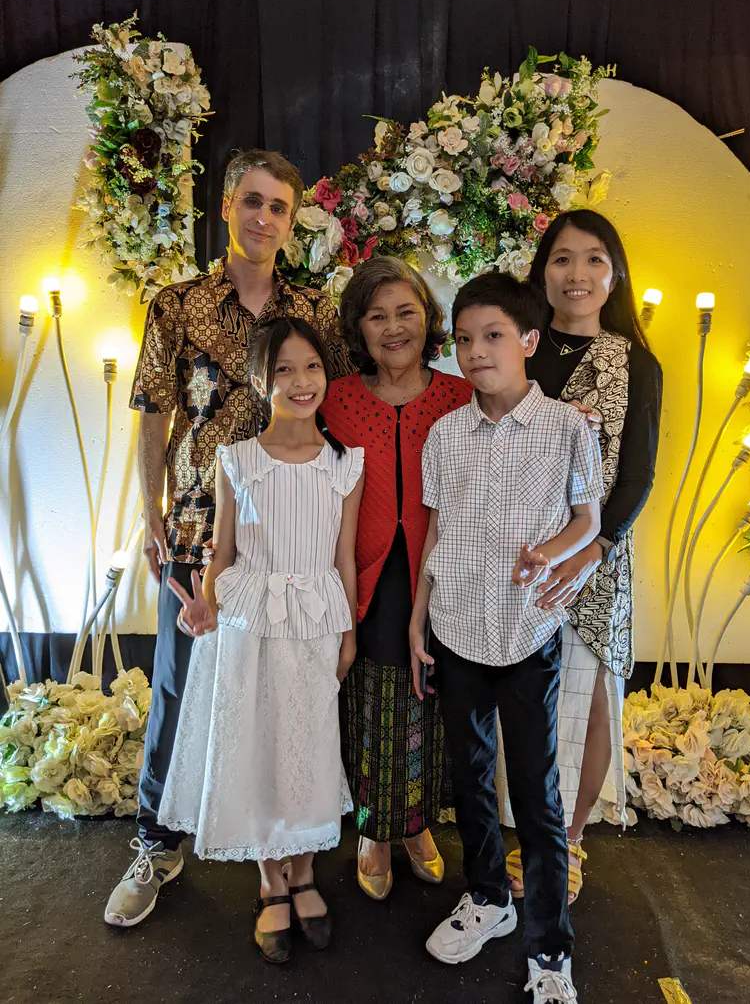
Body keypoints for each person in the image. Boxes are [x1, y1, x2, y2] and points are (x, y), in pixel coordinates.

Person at [105, 149, 353, 929]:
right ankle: (157, 843)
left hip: (287, 540)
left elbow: (339, 403)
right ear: (226, 205)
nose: (264, 217)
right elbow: (153, 409)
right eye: (252, 200)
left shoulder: (314, 309)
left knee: (284, 697)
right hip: (196, 524)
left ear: (291, 221)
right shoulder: (176, 304)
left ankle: (281, 843)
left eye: (279, 207)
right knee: (180, 689)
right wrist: (150, 507)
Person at [410, 272, 604, 1002]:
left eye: (492, 335)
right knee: (469, 781)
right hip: (457, 628)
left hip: (528, 633)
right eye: (464, 339)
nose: (476, 352)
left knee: (536, 794)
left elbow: (588, 520)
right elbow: (434, 532)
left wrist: (549, 552)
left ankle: (550, 949)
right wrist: (418, 616)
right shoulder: (445, 434)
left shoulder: (568, 428)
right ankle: (489, 897)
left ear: (527, 339)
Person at [154, 317, 363, 963]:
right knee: (258, 744)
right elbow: (223, 554)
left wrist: (349, 631)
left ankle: (304, 869)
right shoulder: (236, 459)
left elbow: (345, 557)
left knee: (307, 744)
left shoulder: (344, 464)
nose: (301, 381)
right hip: (250, 621)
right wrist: (205, 606)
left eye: (311, 367)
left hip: (316, 620)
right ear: (257, 379)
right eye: (283, 370)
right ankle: (271, 878)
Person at [501, 210, 663, 905]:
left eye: (594, 258)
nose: (577, 273)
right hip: (519, 551)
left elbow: (638, 473)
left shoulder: (635, 363)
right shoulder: (518, 348)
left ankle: (566, 842)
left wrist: (595, 546)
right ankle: (524, 834)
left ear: (614, 274)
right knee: (523, 699)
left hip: (597, 554)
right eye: (562, 258)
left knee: (590, 697)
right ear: (543, 272)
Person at [321, 257, 473, 900]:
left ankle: (416, 825)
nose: (393, 328)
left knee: (431, 702)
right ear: (358, 328)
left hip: (445, 575)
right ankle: (374, 830)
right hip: (366, 576)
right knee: (374, 705)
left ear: (428, 319)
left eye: (406, 312)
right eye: (376, 316)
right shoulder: (336, 399)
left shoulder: (460, 395)